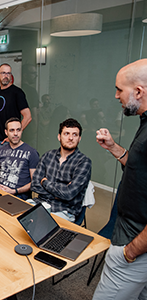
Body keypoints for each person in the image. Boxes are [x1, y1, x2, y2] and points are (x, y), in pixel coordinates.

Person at [93, 59, 147, 299]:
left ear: (138, 91)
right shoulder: (144, 122)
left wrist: (131, 251)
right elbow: (139, 169)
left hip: (135, 242)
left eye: (119, 89)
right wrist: (114, 148)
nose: (116, 96)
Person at [30, 118, 91, 222]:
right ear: (59, 137)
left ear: (79, 138)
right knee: (15, 220)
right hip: (39, 203)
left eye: (75, 135)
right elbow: (35, 185)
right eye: (66, 133)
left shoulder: (84, 162)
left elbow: (69, 194)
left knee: (40, 229)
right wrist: (60, 192)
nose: (70, 138)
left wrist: (44, 182)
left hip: (63, 211)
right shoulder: (48, 156)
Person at [0, 117, 39, 200]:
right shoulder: (1, 150)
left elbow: (35, 183)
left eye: (18, 130)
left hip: (17, 196)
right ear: (6, 132)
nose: (15, 133)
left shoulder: (32, 152)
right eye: (12, 130)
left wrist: (14, 191)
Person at [0, 63, 32, 147]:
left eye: (8, 73)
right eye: (3, 73)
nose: (6, 76)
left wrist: (13, 135)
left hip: (7, 141)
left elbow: (28, 117)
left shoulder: (17, 92)